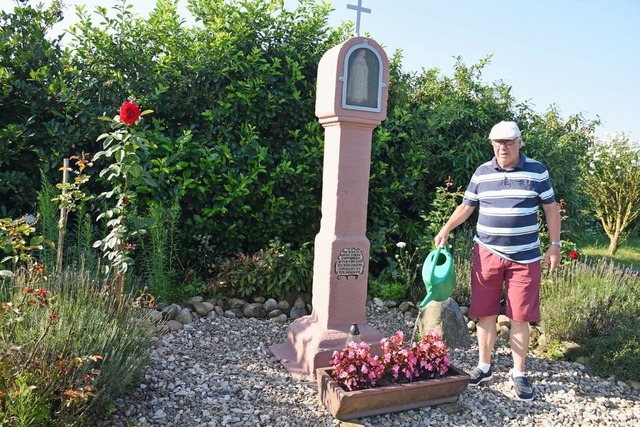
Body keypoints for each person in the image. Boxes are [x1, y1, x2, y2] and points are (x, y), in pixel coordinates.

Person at [434, 120, 561, 402]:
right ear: (492, 144)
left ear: (519, 142)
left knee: (520, 316)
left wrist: (555, 245)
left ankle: (518, 373)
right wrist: (446, 228)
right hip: (486, 254)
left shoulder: (537, 171)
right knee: (486, 312)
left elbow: (551, 209)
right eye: (498, 142)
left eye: (508, 142)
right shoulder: (481, 173)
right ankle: (484, 366)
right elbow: (466, 206)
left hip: (525, 257)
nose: (503, 147)